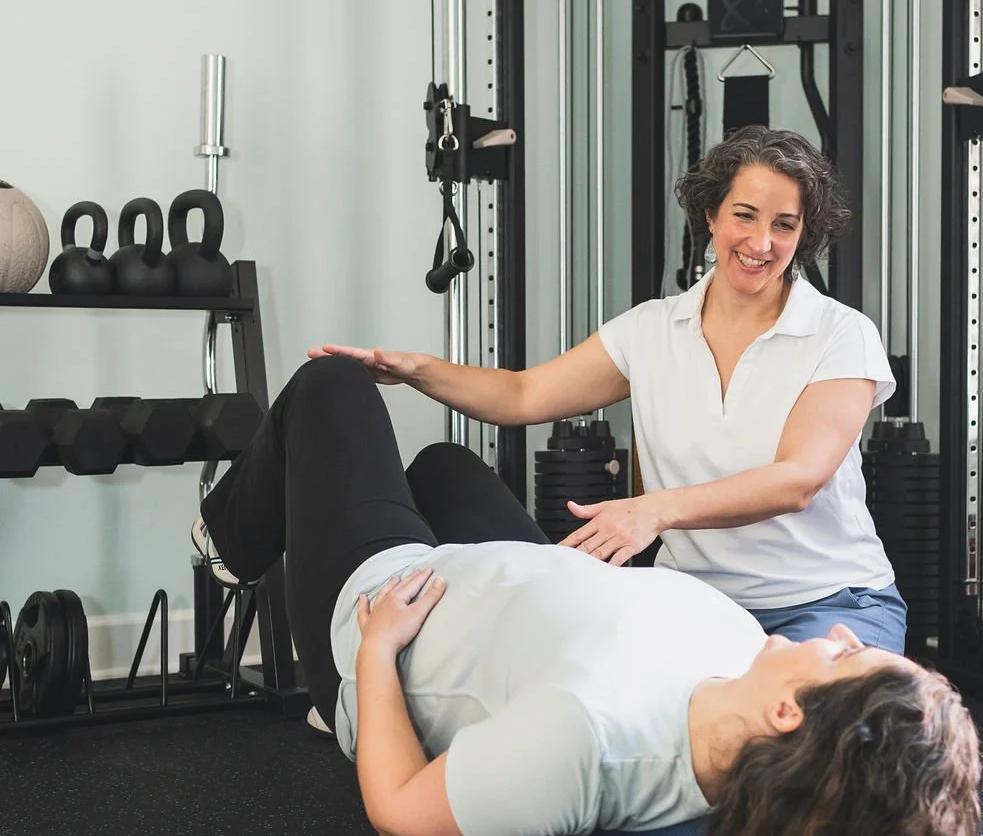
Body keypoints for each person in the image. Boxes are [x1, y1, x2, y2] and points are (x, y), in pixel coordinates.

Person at [191, 354, 980, 836]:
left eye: (847, 659)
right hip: (508, 590)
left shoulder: (591, 734)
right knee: (441, 467)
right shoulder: (744, 658)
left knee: (331, 386)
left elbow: (400, 818)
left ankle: (224, 540)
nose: (844, 635)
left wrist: (375, 651)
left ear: (787, 712)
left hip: (391, 608)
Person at [309, 125, 907, 653]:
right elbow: (523, 395)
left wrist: (651, 511)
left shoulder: (840, 334)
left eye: (784, 225)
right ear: (711, 216)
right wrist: (415, 370)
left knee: (810, 747)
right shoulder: (652, 329)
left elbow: (798, 479)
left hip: (832, 601)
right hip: (692, 604)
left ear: (804, 235)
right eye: (744, 216)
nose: (760, 242)